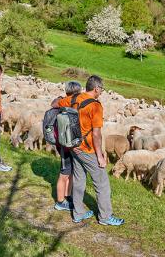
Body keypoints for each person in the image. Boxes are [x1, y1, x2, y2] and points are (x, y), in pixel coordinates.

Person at [52, 75, 124, 226]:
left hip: (73, 146)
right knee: (102, 183)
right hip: (88, 149)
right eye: (102, 89)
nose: (102, 91)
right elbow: (96, 134)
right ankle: (105, 217)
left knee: (79, 179)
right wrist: (100, 156)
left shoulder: (74, 97)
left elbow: (55, 104)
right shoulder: (95, 106)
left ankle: (77, 214)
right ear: (96, 89)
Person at [54, 81, 82, 211]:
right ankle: (60, 202)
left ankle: (67, 196)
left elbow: (53, 104)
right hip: (66, 143)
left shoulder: (62, 101)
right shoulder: (73, 102)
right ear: (77, 91)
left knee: (70, 172)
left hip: (66, 142)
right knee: (64, 173)